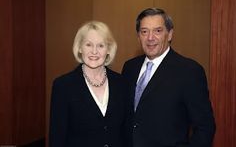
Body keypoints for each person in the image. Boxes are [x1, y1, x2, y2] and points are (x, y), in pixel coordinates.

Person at [121, 8, 216, 147]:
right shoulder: (130, 67)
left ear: (170, 34)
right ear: (138, 36)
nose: (150, 37)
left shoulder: (189, 71)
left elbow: (205, 127)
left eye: (158, 31)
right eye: (144, 31)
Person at [49, 21, 130, 147]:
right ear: (80, 48)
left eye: (100, 46)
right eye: (88, 45)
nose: (94, 51)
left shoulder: (122, 84)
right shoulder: (63, 86)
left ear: (108, 49)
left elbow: (127, 133)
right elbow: (57, 138)